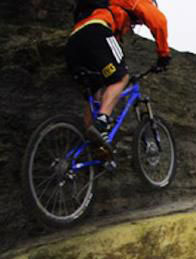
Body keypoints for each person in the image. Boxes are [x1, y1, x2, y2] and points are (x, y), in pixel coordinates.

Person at [66, 0, 171, 159]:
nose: (137, 23)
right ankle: (102, 122)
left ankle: (92, 140)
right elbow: (158, 20)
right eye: (138, 21)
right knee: (120, 78)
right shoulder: (136, 1)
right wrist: (163, 55)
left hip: (73, 42)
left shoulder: (108, 8)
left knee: (96, 90)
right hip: (96, 31)